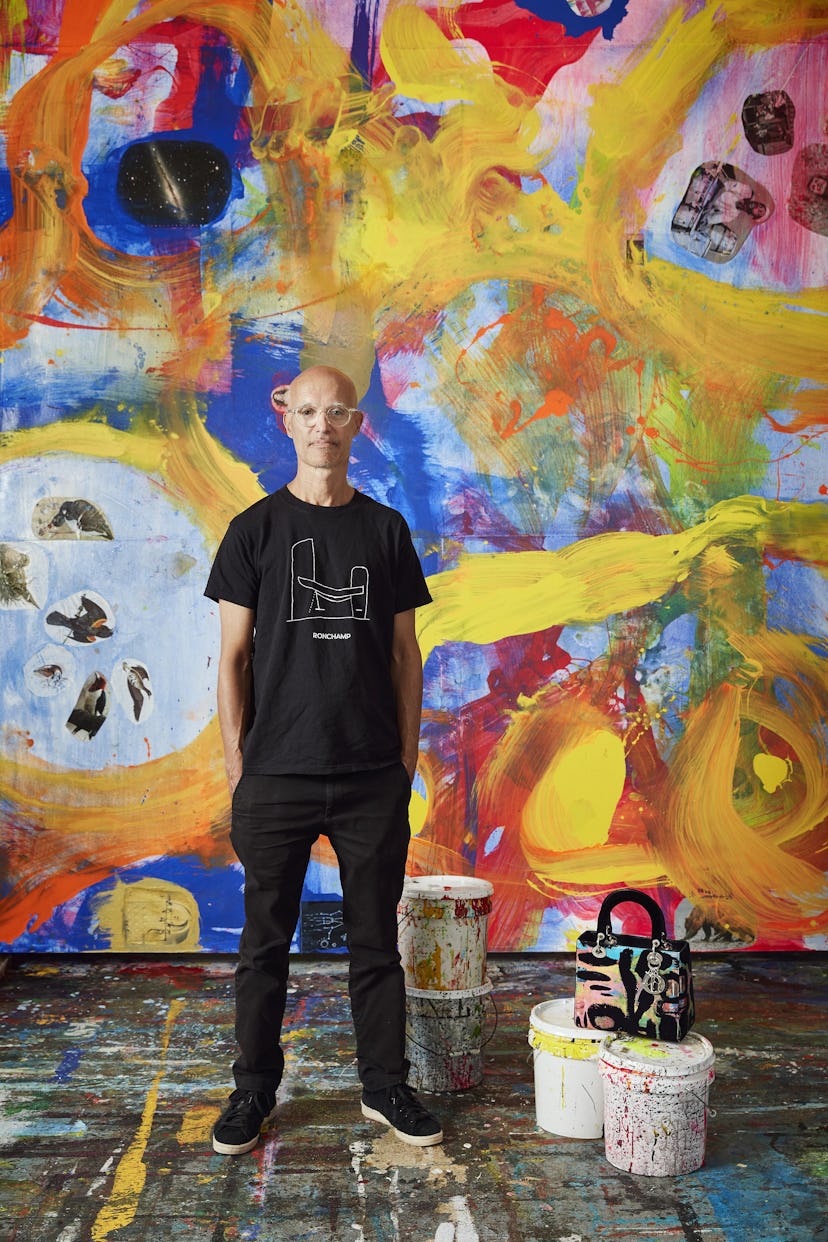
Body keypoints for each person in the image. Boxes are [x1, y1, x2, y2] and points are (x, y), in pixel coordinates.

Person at [204, 364, 442, 1156]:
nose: (321, 425)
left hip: (371, 773)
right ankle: (252, 1091)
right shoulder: (254, 531)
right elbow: (232, 659)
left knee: (375, 943)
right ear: (288, 420)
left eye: (336, 411)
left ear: (355, 424)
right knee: (263, 944)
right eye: (308, 411)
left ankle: (385, 1087)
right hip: (275, 772)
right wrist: (239, 769)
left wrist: (404, 757)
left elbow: (406, 656)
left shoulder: (385, 531)